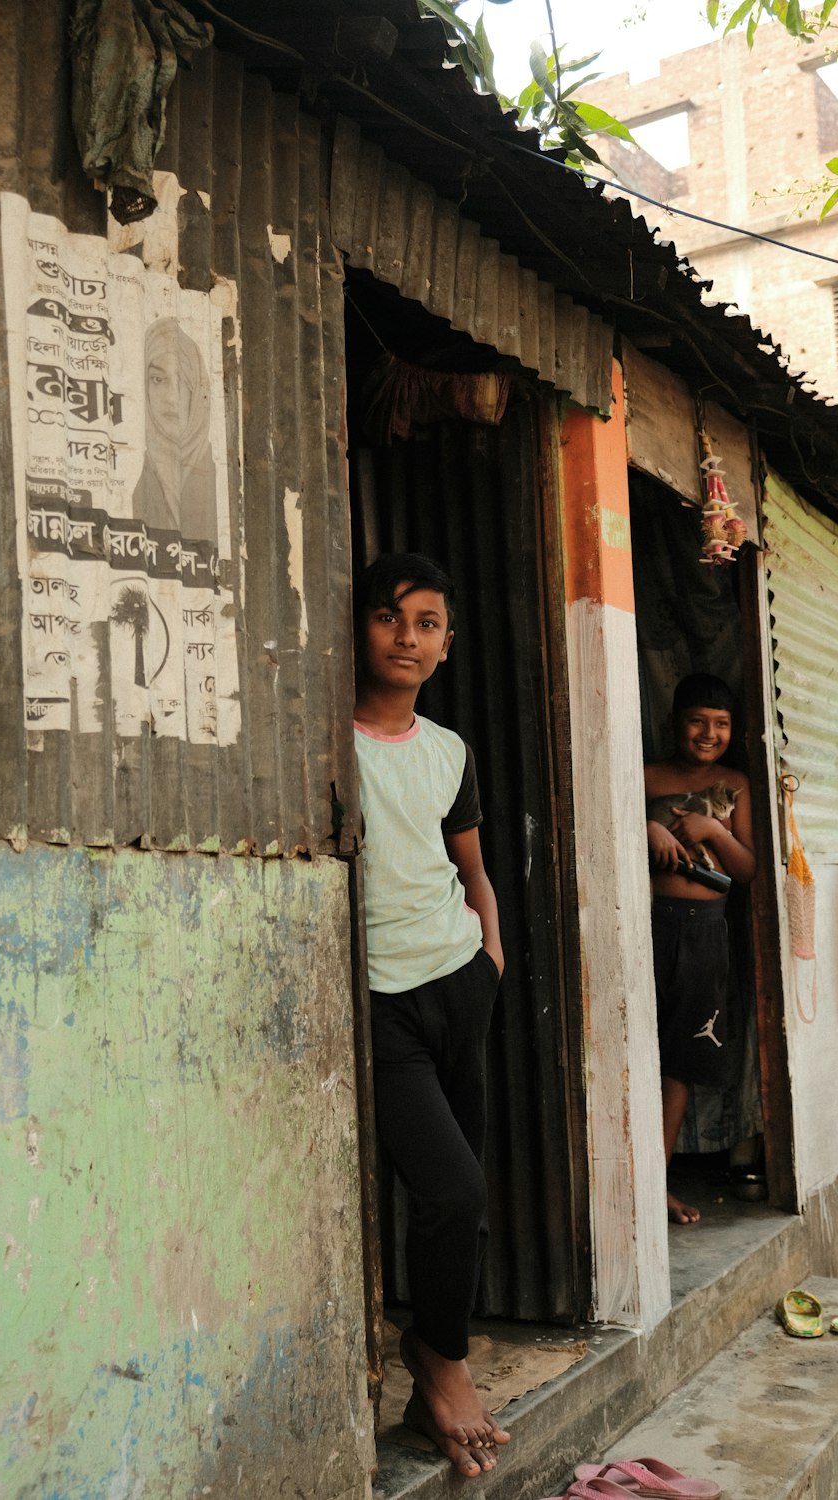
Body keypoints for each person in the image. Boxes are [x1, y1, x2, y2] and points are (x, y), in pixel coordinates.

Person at [353, 552, 510, 1478]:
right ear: (361, 628)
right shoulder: (329, 737)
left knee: (465, 1204)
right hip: (381, 1001)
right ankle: (441, 1360)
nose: (406, 637)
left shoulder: (449, 750)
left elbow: (471, 865)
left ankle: (424, 1403)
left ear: (446, 645)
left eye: (425, 623)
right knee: (453, 1191)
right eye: (388, 617)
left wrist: (490, 951)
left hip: (461, 980)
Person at [645, 673, 756, 1226]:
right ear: (675, 722)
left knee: (679, 1064)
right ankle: (628, 1183)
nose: (708, 733)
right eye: (697, 720)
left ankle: (658, 1184)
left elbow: (748, 869)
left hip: (707, 930)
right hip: (647, 925)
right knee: (636, 1050)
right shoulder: (646, 777)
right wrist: (648, 826)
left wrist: (712, 831)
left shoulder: (734, 783)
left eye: (721, 724)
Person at [132, 317, 218, 544]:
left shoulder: (215, 478)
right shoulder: (134, 475)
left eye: (182, 382)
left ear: (198, 390)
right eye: (158, 379)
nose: (171, 397)